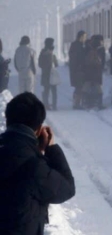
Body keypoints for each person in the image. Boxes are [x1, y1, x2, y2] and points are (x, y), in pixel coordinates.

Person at [0, 92, 75, 234]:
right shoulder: (35, 167)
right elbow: (67, 189)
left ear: (8, 120)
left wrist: (36, 152)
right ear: (39, 130)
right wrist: (51, 149)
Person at [83, 36, 104, 109]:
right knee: (98, 87)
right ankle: (99, 103)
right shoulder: (101, 49)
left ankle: (85, 102)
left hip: (88, 70)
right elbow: (103, 61)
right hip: (97, 70)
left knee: (87, 85)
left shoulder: (87, 47)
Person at [37, 38, 59, 111]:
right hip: (49, 74)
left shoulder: (44, 52)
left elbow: (40, 63)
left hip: (47, 74)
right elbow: (55, 63)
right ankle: (50, 105)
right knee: (51, 90)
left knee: (48, 90)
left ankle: (48, 105)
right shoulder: (46, 52)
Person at [68, 31, 87, 109]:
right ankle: (77, 104)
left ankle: (76, 103)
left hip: (77, 69)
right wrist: (79, 66)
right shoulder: (77, 46)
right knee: (79, 86)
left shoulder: (76, 45)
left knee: (78, 86)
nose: (85, 38)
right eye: (84, 36)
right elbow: (77, 58)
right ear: (81, 37)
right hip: (78, 69)